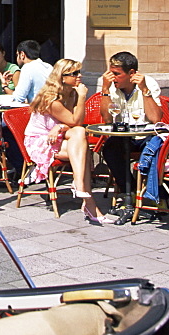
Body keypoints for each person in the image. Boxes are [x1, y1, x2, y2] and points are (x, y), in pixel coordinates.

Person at [23, 59, 112, 225]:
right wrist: (83, 97)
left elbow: (73, 123)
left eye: (79, 72)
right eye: (75, 74)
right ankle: (88, 200)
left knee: (80, 137)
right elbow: (75, 121)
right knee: (81, 146)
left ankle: (81, 190)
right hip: (40, 142)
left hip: (59, 137)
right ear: (62, 77)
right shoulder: (51, 99)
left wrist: (61, 126)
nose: (79, 76)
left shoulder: (69, 93)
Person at [99, 51, 163, 217]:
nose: (112, 77)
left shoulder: (148, 84)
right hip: (123, 135)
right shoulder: (111, 87)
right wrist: (105, 89)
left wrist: (144, 90)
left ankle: (155, 195)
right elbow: (107, 119)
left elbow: (155, 118)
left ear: (132, 74)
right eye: (110, 73)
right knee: (110, 149)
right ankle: (132, 192)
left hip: (145, 135)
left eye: (117, 74)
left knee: (153, 147)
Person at [11, 40, 53, 104]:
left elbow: (19, 97)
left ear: (22, 54)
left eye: (17, 55)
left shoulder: (27, 67)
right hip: (52, 108)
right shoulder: (49, 66)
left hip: (38, 110)